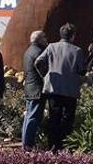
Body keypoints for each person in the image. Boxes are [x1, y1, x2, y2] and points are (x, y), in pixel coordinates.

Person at [35, 23, 86, 151]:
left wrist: (45, 75)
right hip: (70, 90)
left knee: (54, 117)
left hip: (53, 88)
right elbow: (82, 70)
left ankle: (52, 145)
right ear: (73, 36)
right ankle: (64, 145)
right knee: (68, 118)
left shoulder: (51, 47)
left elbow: (38, 62)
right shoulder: (77, 51)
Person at [21, 30, 48, 150]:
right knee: (33, 117)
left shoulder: (28, 51)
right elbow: (42, 69)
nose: (46, 40)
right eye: (44, 37)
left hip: (30, 87)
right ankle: (28, 145)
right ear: (40, 39)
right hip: (37, 89)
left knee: (29, 116)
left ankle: (26, 143)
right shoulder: (38, 52)